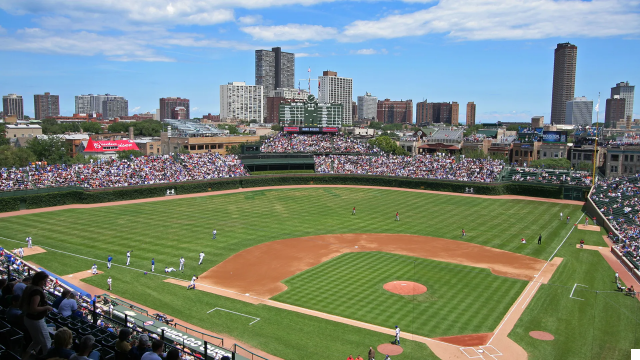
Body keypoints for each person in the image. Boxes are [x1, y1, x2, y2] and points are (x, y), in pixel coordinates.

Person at [20, 270, 53, 359]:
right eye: (44, 281)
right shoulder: (36, 291)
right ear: (39, 280)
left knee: (37, 341)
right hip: (35, 320)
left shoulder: (29, 287)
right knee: (47, 342)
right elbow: (33, 308)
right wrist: (46, 308)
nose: (45, 283)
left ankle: (24, 357)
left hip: (28, 318)